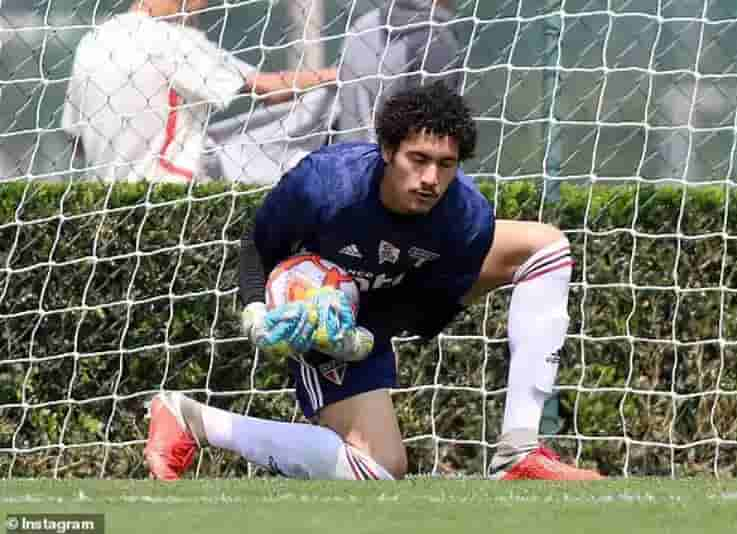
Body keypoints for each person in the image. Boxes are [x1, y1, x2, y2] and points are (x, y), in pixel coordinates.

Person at [144, 82, 604, 481]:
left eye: (445, 164)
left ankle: (519, 449)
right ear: (387, 151)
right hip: (311, 314)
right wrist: (256, 309)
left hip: (380, 307)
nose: (430, 179)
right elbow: (259, 243)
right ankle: (194, 421)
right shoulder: (325, 183)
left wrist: (363, 336)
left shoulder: (467, 217)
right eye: (418, 159)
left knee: (547, 246)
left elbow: (429, 309)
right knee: (381, 468)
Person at [61, 0, 337, 183]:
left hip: (102, 193)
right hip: (170, 189)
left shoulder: (94, 40)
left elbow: (76, 141)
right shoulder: (172, 39)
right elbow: (270, 90)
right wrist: (339, 73)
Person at [333, 0, 464, 144]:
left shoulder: (361, 26)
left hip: (345, 155)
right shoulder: (436, 42)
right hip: (388, 161)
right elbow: (431, 137)